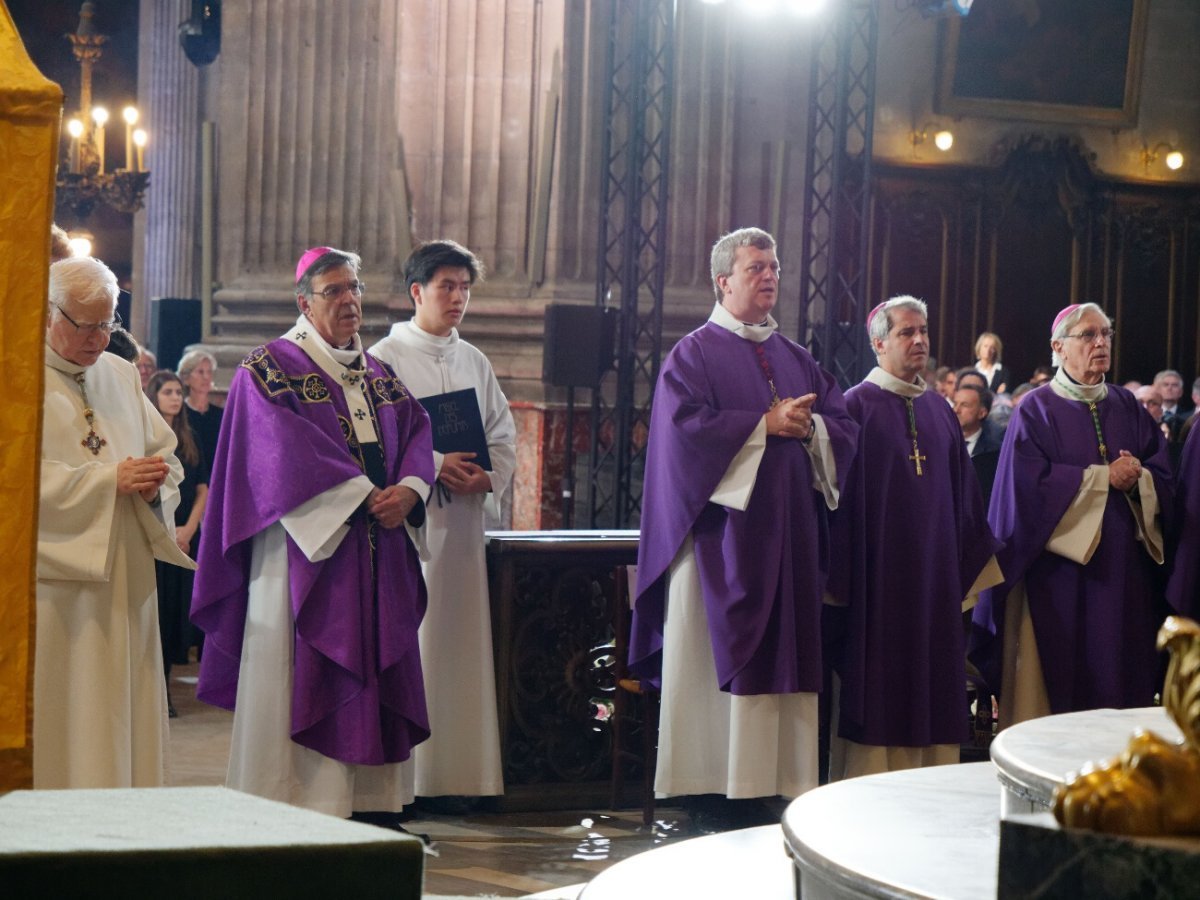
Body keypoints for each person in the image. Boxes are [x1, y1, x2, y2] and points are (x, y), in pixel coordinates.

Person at [191, 246, 435, 819]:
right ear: (304, 302)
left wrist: (411, 491)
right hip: (303, 553)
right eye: (334, 291)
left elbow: (417, 432)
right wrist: (358, 494)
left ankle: (373, 806)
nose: (349, 301)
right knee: (298, 668)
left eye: (355, 289)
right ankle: (296, 803)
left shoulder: (378, 373)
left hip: (378, 543)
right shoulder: (269, 368)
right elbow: (277, 452)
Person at [629, 227, 858, 817]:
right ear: (722, 281)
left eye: (775, 266)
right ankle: (711, 787)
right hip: (720, 545)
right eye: (755, 266)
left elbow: (841, 425)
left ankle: (780, 785)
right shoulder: (694, 353)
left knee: (788, 657)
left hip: (792, 543)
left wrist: (812, 429)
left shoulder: (796, 356)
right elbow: (682, 440)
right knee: (712, 657)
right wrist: (763, 424)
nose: (769, 275)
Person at [970, 304, 1174, 727]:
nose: (1100, 343)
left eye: (1106, 334)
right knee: (1052, 694)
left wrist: (1140, 479)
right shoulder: (1035, 410)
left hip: (1121, 578)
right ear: (1058, 347)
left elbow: (1164, 474)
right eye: (1088, 335)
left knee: (1118, 685)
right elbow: (1024, 494)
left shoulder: (1127, 405)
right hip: (1055, 580)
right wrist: (1103, 479)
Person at [827, 296, 1001, 779]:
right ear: (879, 342)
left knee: (933, 682)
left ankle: (931, 787)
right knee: (880, 685)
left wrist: (961, 566)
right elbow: (838, 504)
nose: (920, 340)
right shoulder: (854, 406)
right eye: (906, 332)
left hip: (934, 584)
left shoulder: (940, 411)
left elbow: (965, 500)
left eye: (923, 330)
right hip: (877, 586)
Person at [37, 256, 195, 788]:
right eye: (83, 325)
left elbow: (166, 456)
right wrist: (108, 482)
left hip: (125, 575)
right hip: (58, 587)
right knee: (70, 711)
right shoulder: (15, 375)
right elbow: (15, 483)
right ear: (46, 312)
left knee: (121, 706)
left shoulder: (122, 374)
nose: (97, 339)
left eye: (108, 323)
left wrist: (152, 483)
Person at [368, 240, 516, 805]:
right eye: (446, 286)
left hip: (464, 534)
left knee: (461, 647)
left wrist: (488, 475)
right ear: (416, 292)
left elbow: (502, 435)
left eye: (465, 288)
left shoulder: (473, 360)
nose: (458, 298)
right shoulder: (385, 357)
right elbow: (377, 443)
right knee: (421, 647)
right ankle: (417, 780)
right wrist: (433, 465)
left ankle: (460, 778)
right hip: (416, 531)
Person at [146, 369, 210, 717]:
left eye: (178, 392)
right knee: (153, 615)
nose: (175, 397)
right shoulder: (145, 434)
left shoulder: (188, 437)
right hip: (156, 538)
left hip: (183, 538)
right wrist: (166, 531)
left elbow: (202, 489)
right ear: (153, 395)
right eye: (168, 391)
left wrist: (188, 529)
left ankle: (166, 690)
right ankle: (150, 692)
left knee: (173, 616)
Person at [954, 383, 1003, 507]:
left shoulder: (995, 453)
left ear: (982, 413)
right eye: (955, 403)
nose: (956, 410)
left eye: (964, 405)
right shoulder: (940, 444)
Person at [178, 348, 223, 473]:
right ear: (186, 378)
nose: (206, 377)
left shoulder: (220, 414)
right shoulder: (179, 413)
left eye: (209, 372)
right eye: (200, 372)